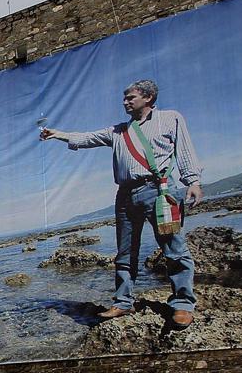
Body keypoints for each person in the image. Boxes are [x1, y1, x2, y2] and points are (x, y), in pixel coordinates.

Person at [39, 79, 203, 328]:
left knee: (174, 249)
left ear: (148, 98)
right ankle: (123, 302)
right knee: (125, 253)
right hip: (125, 197)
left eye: (130, 97)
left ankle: (182, 305)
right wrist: (57, 134)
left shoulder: (170, 118)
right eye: (124, 98)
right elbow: (87, 138)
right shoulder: (117, 131)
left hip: (159, 193)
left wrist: (193, 181)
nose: (125, 101)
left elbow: (185, 149)